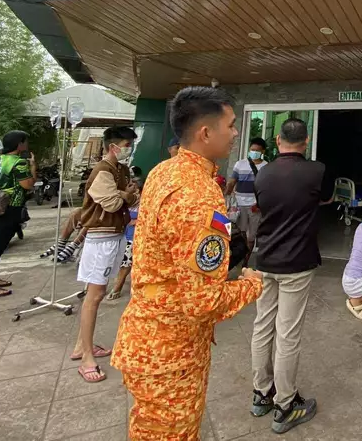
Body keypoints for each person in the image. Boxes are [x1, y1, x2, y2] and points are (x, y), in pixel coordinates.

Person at [111, 87, 263, 440]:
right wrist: (251, 284)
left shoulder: (163, 172)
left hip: (145, 336)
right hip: (171, 353)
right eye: (231, 124)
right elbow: (203, 301)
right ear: (205, 133)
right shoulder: (199, 194)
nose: (236, 133)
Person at [249, 118, 329, 434]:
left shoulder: (263, 172)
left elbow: (262, 206)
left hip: (265, 260)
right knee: (288, 334)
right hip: (296, 263)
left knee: (262, 326)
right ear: (306, 141)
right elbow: (323, 198)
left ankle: (261, 393)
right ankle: (285, 405)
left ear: (278, 141)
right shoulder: (316, 171)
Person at [72, 126, 140, 383]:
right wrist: (125, 195)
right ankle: (86, 357)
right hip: (100, 237)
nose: (128, 149)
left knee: (97, 293)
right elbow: (111, 203)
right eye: (126, 145)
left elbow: (131, 199)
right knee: (95, 294)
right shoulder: (102, 171)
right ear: (113, 146)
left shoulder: (121, 170)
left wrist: (125, 195)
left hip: (115, 234)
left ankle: (82, 345)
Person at [0, 131, 35, 298]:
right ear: (19, 144)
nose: (27, 144)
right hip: (10, 208)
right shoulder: (19, 162)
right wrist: (33, 166)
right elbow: (28, 185)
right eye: (25, 141)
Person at [225, 136, 268, 263]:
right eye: (252, 150)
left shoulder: (266, 167)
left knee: (251, 236)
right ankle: (241, 255)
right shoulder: (240, 164)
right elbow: (232, 182)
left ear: (263, 151)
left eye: (257, 150)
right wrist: (225, 197)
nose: (254, 152)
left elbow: (267, 188)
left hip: (255, 206)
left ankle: (245, 261)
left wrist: (260, 204)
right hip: (239, 206)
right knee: (241, 232)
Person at [107, 167, 143, 301]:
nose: (130, 185)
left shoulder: (142, 200)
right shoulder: (126, 201)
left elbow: (151, 216)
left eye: (133, 184)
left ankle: (118, 286)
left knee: (126, 261)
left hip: (134, 236)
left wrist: (138, 221)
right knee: (119, 260)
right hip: (122, 234)